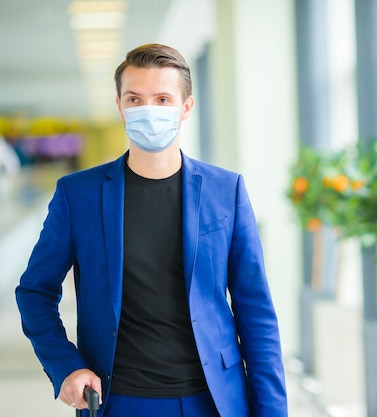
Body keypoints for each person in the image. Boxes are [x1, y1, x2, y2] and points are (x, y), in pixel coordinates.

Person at [15, 43, 288, 417]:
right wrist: (67, 366)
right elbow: (34, 291)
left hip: (213, 400)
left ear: (186, 107)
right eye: (135, 98)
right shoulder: (77, 195)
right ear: (120, 107)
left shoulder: (227, 191)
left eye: (162, 99)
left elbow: (255, 311)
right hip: (116, 400)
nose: (148, 110)